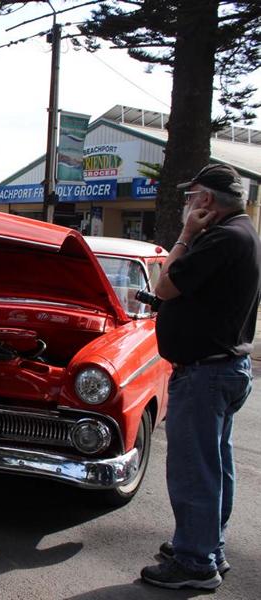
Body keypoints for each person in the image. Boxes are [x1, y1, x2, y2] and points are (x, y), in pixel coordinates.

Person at [139, 165, 260, 591]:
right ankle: (207, 546)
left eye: (191, 196)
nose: (188, 204)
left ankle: (195, 562)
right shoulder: (242, 233)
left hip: (206, 372)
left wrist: (185, 235)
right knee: (214, 465)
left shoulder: (221, 238)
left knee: (194, 470)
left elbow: (164, 285)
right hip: (223, 367)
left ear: (206, 200)